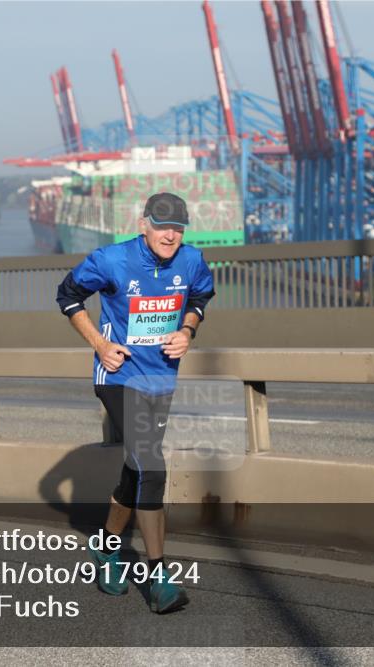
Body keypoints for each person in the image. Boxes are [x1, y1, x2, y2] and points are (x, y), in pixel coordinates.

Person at [55, 192, 215, 614]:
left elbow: (199, 298)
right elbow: (68, 296)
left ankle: (106, 548)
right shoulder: (112, 260)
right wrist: (100, 344)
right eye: (162, 226)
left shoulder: (191, 261)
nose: (170, 235)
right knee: (152, 466)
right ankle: (158, 577)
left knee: (137, 469)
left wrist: (187, 331)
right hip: (118, 376)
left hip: (161, 379)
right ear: (144, 224)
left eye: (178, 228)